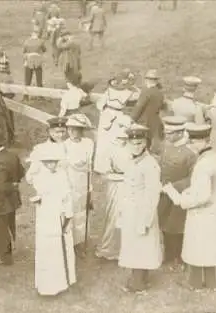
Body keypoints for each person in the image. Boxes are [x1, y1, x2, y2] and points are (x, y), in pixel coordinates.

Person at [162, 124, 216, 291]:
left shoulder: (203, 165)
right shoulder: (215, 158)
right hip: (215, 209)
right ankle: (211, 281)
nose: (191, 146)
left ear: (201, 141)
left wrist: (179, 198)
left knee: (197, 246)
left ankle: (194, 282)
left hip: (203, 212)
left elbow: (202, 196)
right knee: (210, 246)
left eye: (193, 142)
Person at [26, 144, 76, 296]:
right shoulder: (41, 176)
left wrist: (68, 215)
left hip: (59, 215)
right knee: (46, 247)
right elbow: (35, 184)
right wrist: (39, 199)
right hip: (45, 216)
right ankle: (46, 284)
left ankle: (62, 282)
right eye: (47, 162)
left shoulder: (62, 175)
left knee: (61, 247)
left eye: (53, 162)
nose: (51, 165)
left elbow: (67, 197)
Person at [118, 125, 163, 293]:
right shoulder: (131, 160)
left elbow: (152, 195)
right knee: (133, 244)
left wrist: (145, 220)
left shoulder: (150, 164)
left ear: (146, 143)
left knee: (142, 244)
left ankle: (139, 282)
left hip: (143, 210)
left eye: (140, 143)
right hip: (131, 210)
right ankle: (139, 277)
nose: (136, 146)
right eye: (133, 142)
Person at [156, 116, 197, 271]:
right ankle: (168, 253)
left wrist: (173, 187)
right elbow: (160, 166)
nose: (167, 135)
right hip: (163, 193)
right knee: (164, 222)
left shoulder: (190, 154)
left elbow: (192, 178)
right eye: (166, 132)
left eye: (171, 133)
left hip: (179, 195)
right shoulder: (165, 146)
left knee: (178, 226)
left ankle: (179, 256)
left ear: (180, 133)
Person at [0, 128, 25, 265]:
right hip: (11, 200)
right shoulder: (12, 156)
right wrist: (15, 184)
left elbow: (1, 185)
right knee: (7, 225)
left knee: (0, 226)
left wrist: (12, 186)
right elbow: (21, 172)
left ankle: (4, 257)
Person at [94, 127, 131, 261]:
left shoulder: (132, 148)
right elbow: (105, 175)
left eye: (124, 138)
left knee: (129, 215)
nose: (122, 140)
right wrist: (123, 177)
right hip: (115, 185)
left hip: (130, 186)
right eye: (119, 138)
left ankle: (126, 247)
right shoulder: (109, 150)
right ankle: (108, 248)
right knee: (113, 215)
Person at [63, 114, 94, 257]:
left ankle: (80, 242)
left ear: (82, 130)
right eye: (70, 129)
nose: (73, 133)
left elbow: (88, 165)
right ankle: (69, 242)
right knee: (71, 211)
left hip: (83, 182)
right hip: (70, 182)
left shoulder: (88, 143)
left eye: (77, 130)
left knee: (83, 212)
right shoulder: (64, 146)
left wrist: (90, 186)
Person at [93, 75, 133, 174]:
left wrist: (103, 109)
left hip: (107, 115)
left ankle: (103, 166)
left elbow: (99, 105)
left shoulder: (109, 92)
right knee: (115, 141)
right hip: (118, 116)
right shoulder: (128, 93)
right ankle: (116, 165)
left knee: (104, 141)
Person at [130, 69, 166, 154]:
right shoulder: (159, 93)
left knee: (141, 144)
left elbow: (139, 107)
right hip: (155, 121)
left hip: (144, 122)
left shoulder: (146, 91)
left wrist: (131, 119)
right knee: (150, 144)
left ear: (147, 80)